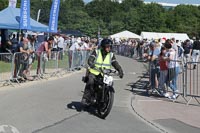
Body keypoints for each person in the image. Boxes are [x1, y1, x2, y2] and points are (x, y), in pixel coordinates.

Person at [81, 38, 124, 105]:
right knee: (91, 81)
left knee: (109, 83)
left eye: (110, 47)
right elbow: (90, 59)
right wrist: (91, 63)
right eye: (107, 47)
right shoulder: (96, 52)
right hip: (95, 72)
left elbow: (115, 63)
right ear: (103, 46)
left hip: (105, 74)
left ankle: (104, 97)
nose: (109, 48)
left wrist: (120, 70)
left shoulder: (111, 55)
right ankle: (85, 98)